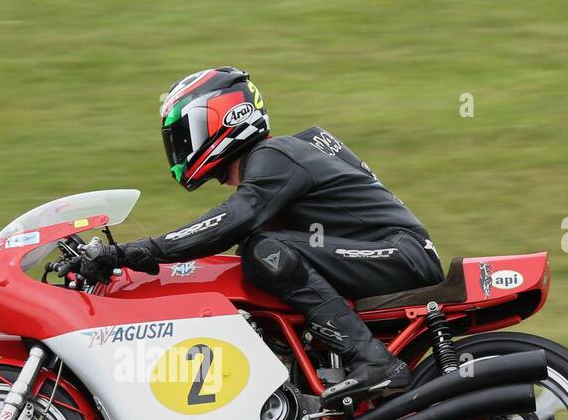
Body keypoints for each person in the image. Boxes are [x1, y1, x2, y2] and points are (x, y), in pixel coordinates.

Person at [101, 66, 445, 401]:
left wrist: (135, 252)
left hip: (400, 255)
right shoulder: (281, 159)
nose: (180, 147)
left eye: (185, 133)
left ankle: (373, 361)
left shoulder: (275, 155)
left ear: (227, 116)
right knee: (253, 259)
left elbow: (230, 220)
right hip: (385, 254)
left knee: (264, 250)